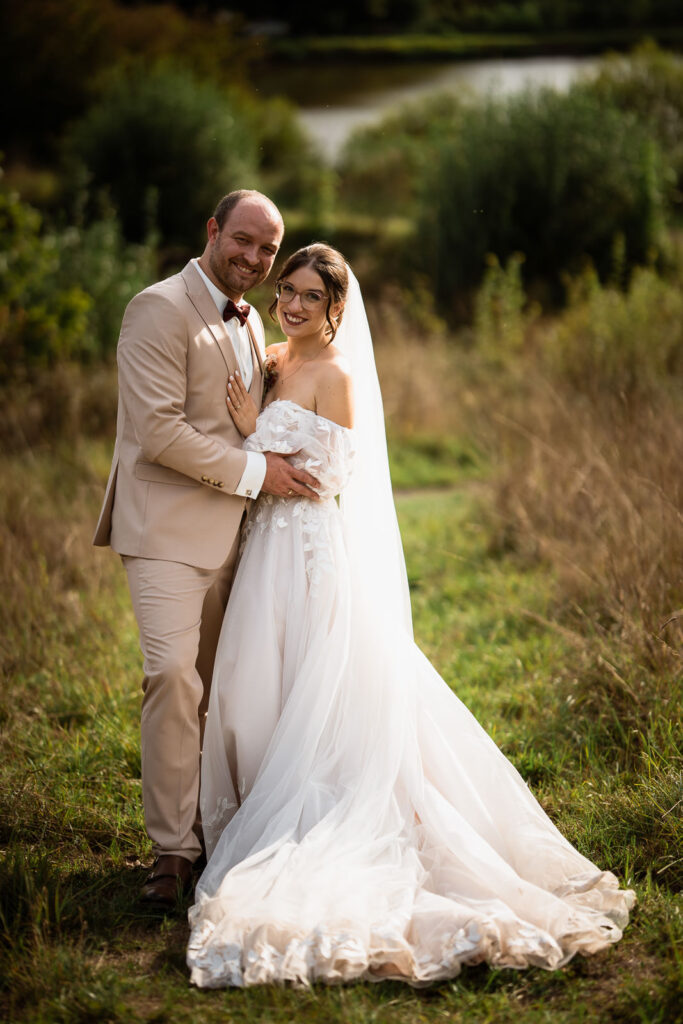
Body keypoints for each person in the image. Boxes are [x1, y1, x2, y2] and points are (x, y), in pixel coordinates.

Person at [186, 243, 635, 987]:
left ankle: (311, 820)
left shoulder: (336, 376)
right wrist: (248, 420)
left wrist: (251, 440)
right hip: (264, 555)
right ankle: (251, 804)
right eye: (285, 291)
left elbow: (330, 476)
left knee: (315, 682)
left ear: (337, 307)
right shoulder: (275, 361)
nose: (292, 305)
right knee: (255, 683)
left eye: (308, 296)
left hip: (306, 555)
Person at [93, 190, 321, 907]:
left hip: (244, 539)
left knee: (223, 690)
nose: (253, 259)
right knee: (170, 678)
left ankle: (216, 825)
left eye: (267, 250)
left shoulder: (254, 320)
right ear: (213, 230)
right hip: (163, 530)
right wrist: (263, 473)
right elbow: (157, 432)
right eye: (243, 241)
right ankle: (171, 852)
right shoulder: (155, 309)